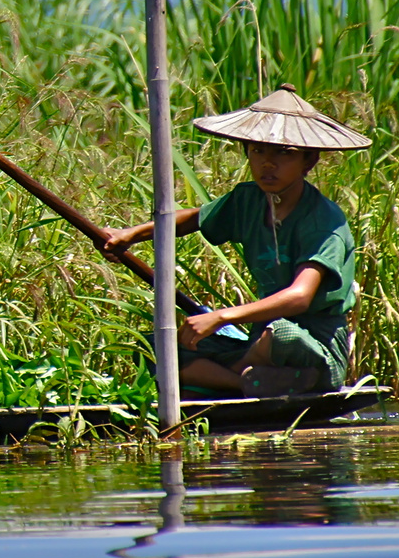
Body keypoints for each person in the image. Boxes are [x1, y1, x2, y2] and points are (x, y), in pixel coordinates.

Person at [100, 83, 371, 398]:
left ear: (308, 161)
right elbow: (194, 218)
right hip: (257, 342)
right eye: (258, 151)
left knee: (279, 332)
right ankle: (246, 382)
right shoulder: (248, 201)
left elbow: (299, 297)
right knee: (153, 348)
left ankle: (232, 376)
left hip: (312, 346)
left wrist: (221, 316)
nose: (267, 163)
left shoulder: (323, 220)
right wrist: (131, 234)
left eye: (284, 153)